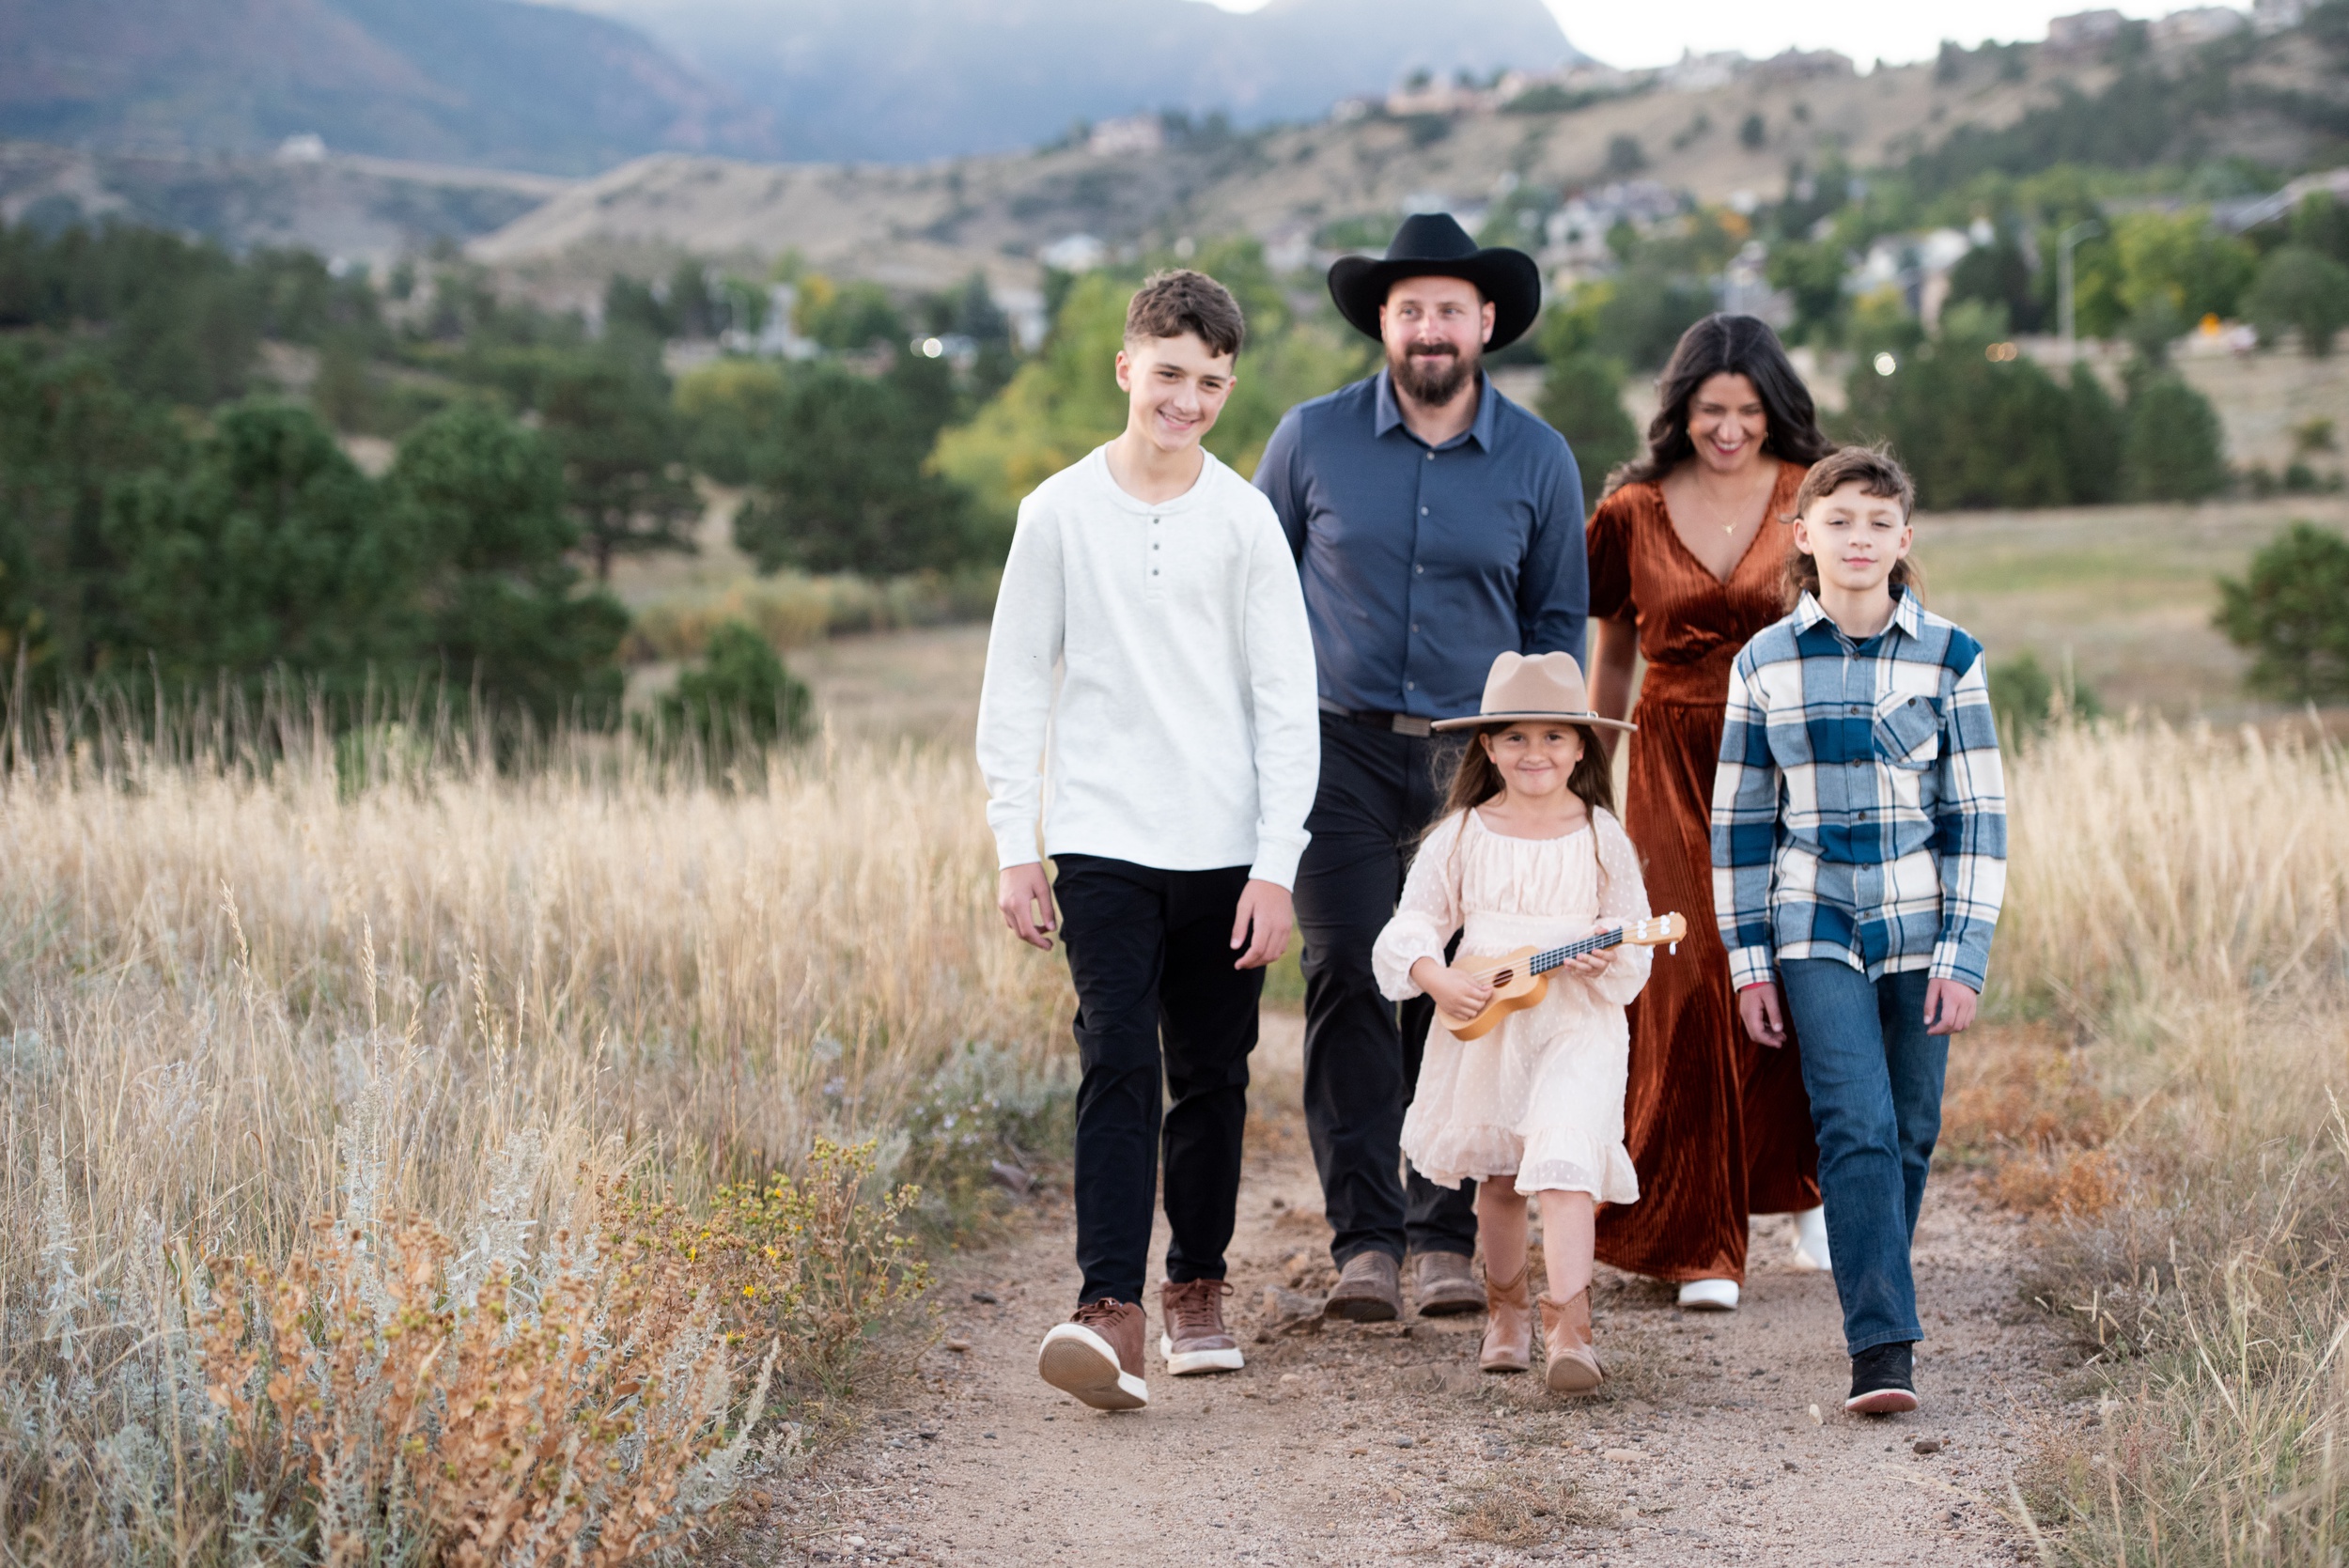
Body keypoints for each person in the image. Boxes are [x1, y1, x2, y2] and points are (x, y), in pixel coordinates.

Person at [977, 269, 1319, 1412]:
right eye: (1169, 374)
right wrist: (1013, 844)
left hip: (1225, 847)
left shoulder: (1244, 519)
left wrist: (1278, 864)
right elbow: (1016, 686)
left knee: (1214, 1073)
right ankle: (1107, 1309)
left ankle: (1197, 1285)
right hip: (1103, 839)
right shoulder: (1056, 512)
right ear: (1127, 367)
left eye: (1211, 383)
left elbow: (1285, 700)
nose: (1187, 400)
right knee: (1117, 1052)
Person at [1256, 212, 1590, 1323]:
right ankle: (1364, 1241)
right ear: (1383, 326)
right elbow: (1256, 602)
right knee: (1351, 966)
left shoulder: (1539, 458)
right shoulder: (1309, 439)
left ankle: (1443, 1230)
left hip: (1473, 763)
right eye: (1410, 311)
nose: (1430, 328)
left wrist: (1538, 779)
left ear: (1485, 321)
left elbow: (1555, 632)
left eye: (1450, 308)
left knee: (1465, 985)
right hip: (1335, 747)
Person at [1712, 445, 2007, 1414]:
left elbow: (1977, 819)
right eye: (1838, 520)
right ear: (1803, 537)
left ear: (1903, 541)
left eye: (1879, 523)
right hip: (1812, 922)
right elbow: (1742, 826)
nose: (1858, 538)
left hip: (1920, 922)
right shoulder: (1763, 664)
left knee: (1912, 1129)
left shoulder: (1950, 657)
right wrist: (1749, 964)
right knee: (1855, 1123)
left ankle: (1873, 1271)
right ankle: (1881, 1345)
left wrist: (1963, 957)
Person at [1582, 315, 1834, 1312]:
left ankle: (1799, 1180)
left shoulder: (1814, 500)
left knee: (1795, 966)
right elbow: (1610, 654)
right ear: (1678, 411)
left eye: (1746, 410)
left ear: (1776, 411)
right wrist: (1582, 787)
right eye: (1708, 410)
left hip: (1792, 759)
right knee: (1685, 979)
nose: (1727, 429)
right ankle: (1696, 1237)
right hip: (1667, 758)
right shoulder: (1630, 510)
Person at [1372, 652, 1653, 1392]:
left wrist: (1609, 958)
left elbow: (1629, 932)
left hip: (1578, 1021)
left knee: (1562, 1162)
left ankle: (1572, 1331)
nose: (1536, 753)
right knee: (1500, 1178)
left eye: (1554, 737)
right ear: (1488, 746)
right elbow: (1414, 925)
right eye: (1517, 738)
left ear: (1582, 746)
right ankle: (1508, 1314)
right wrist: (1437, 979)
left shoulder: (1601, 835)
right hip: (1493, 1020)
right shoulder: (1462, 834)